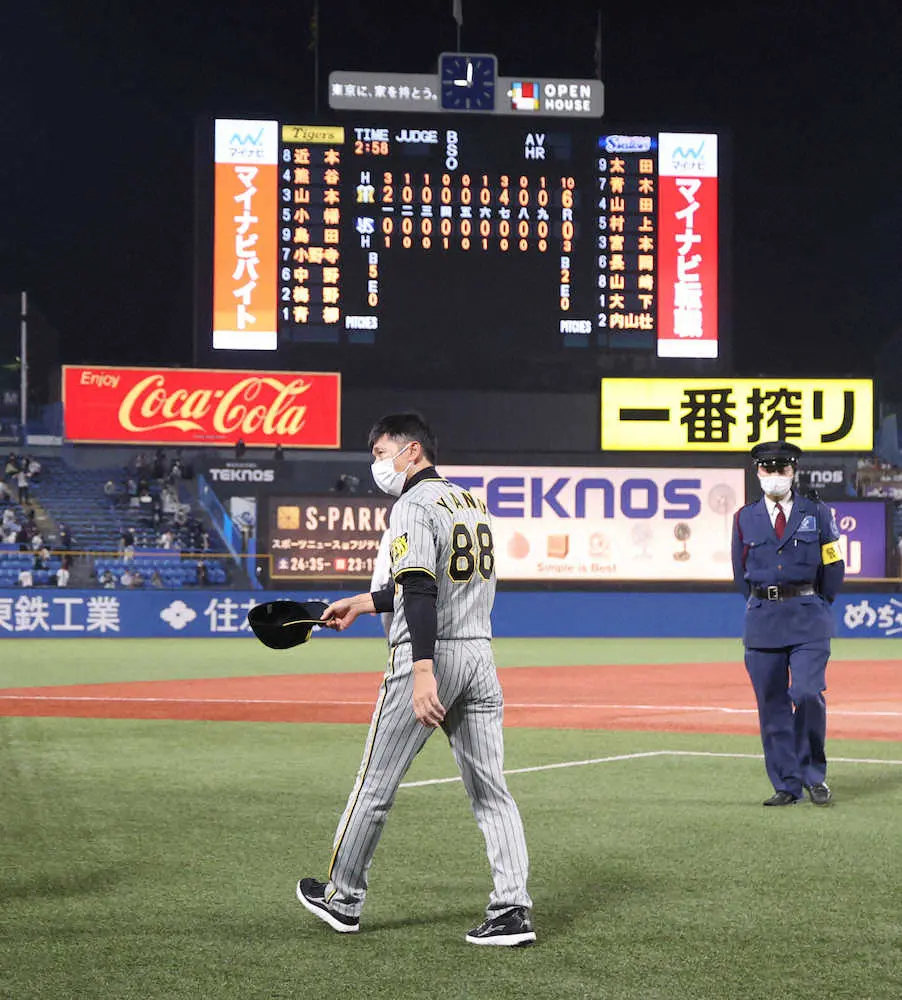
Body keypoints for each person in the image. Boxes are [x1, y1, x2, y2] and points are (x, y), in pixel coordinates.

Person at [296, 413, 534, 946]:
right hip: (480, 655)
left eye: (380, 452)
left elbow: (422, 591)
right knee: (491, 790)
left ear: (411, 452)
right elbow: (429, 581)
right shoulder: (470, 501)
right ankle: (512, 909)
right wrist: (364, 601)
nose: (375, 463)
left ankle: (342, 898)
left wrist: (423, 670)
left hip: (431, 655)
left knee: (374, 784)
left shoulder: (411, 505)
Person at [731, 440, 845, 807]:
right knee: (772, 705)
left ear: (793, 472)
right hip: (764, 621)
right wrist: (762, 603)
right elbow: (739, 573)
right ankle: (786, 783)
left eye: (782, 469)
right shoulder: (744, 517)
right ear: (758, 472)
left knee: (808, 693)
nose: (775, 476)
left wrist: (817, 601)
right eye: (768, 469)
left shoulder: (818, 512)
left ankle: (814, 775)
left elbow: (834, 565)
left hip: (809, 618)